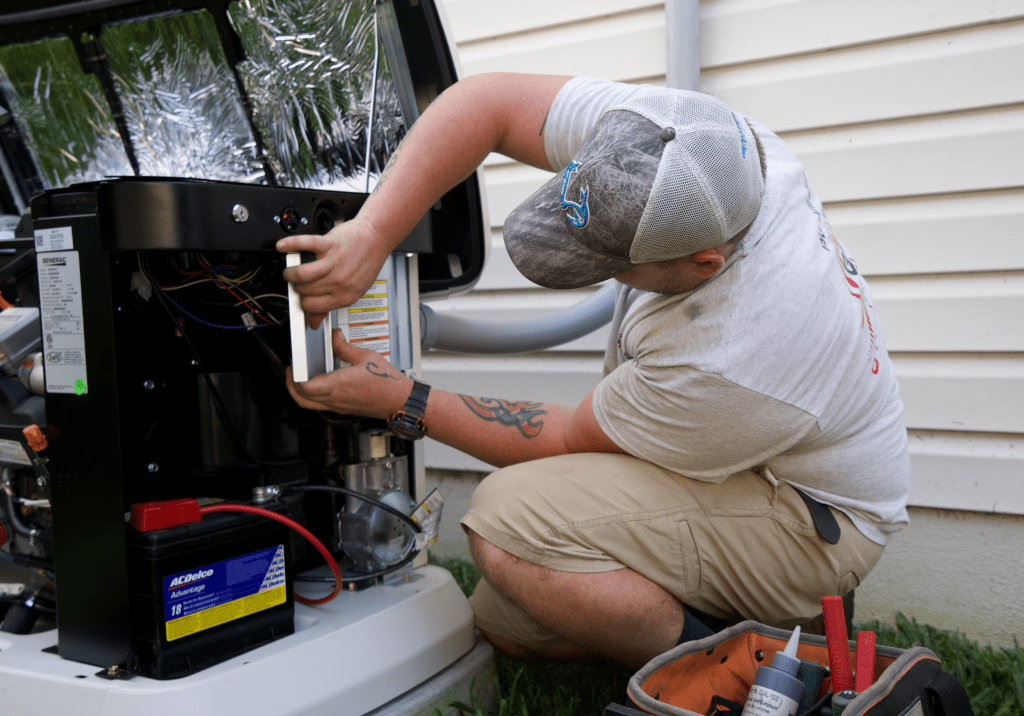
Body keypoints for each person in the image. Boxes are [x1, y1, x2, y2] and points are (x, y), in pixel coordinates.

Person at [278, 72, 911, 668]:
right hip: (748, 447)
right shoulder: (686, 138)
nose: (593, 264)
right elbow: (488, 101)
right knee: (508, 618)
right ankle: (696, 601)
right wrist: (373, 232)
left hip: (810, 518)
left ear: (703, 262)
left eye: (613, 260)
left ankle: (736, 664)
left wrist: (403, 401)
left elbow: (564, 440)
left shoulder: (734, 352)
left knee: (507, 521)